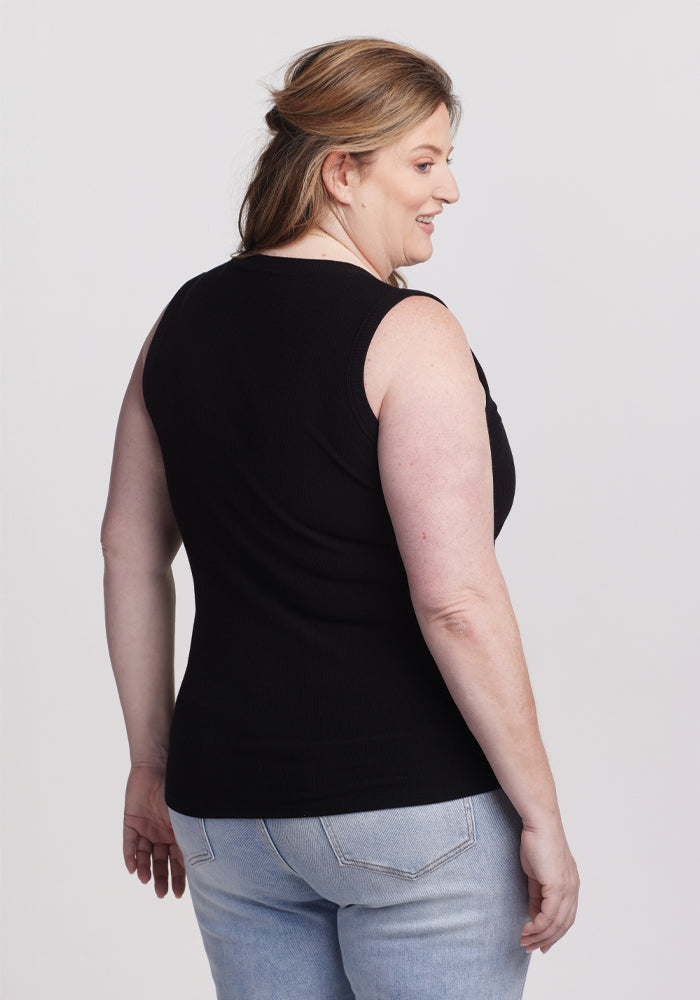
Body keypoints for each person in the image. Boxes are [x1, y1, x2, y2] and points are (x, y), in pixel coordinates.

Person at [101, 37, 578, 1000]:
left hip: (225, 811)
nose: (448, 189)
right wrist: (543, 813)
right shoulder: (411, 331)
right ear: (341, 171)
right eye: (424, 160)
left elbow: (127, 552)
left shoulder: (180, 323)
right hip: (410, 809)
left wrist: (148, 764)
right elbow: (456, 599)